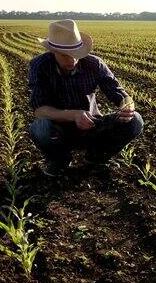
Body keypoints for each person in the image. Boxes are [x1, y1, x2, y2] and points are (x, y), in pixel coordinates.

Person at [28, 19, 143, 176]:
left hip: (92, 125)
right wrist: (74, 114)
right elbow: (39, 110)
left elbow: (118, 92)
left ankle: (96, 157)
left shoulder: (94, 64)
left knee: (135, 120)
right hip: (59, 130)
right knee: (40, 127)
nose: (71, 60)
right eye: (64, 55)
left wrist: (127, 106)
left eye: (75, 54)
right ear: (52, 51)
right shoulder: (39, 66)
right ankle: (59, 160)